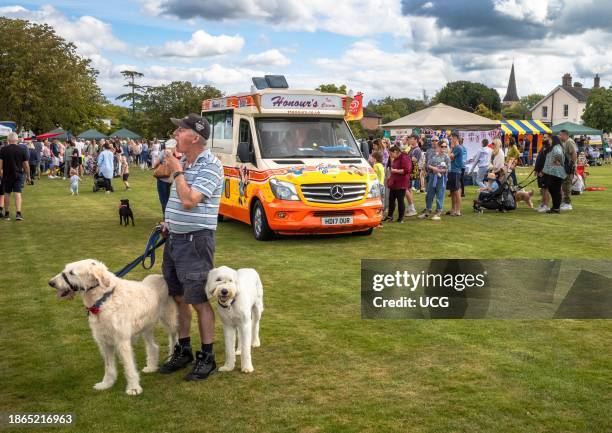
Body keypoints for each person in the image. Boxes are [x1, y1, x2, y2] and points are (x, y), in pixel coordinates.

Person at [160, 113, 224, 381]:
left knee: (197, 300)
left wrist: (176, 169)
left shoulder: (211, 165)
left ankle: (207, 357)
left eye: (180, 130)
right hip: (174, 237)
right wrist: (172, 162)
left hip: (195, 241)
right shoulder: (185, 160)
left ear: (195, 136)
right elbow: (158, 174)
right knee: (178, 297)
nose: (175, 133)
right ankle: (184, 349)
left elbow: (189, 200)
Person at [0, 132, 30, 221]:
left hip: (6, 174)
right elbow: (26, 165)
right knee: (18, 193)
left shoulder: (3, 150)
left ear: (8, 140)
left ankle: (7, 214)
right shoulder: (22, 150)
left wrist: (1, 174)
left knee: (7, 193)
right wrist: (28, 176)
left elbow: (0, 165)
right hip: (18, 174)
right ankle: (18, 213)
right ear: (17, 140)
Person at [418, 138, 450, 220]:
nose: (444, 148)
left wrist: (441, 170)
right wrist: (434, 168)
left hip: (441, 178)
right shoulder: (434, 155)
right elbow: (428, 165)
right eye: (442, 146)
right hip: (432, 177)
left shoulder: (446, 157)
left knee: (440, 194)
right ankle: (427, 212)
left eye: (445, 147)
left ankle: (438, 212)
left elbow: (448, 168)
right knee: (429, 195)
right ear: (438, 147)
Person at [384, 145, 410, 223]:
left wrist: (395, 170)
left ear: (395, 152)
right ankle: (390, 216)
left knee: (400, 200)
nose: (390, 156)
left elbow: (406, 170)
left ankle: (400, 218)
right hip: (394, 182)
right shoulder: (396, 158)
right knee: (391, 199)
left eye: (391, 154)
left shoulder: (404, 157)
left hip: (401, 183)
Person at [542, 135, 566, 214]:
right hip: (553, 172)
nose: (549, 141)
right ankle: (555, 207)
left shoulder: (556, 147)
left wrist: (556, 162)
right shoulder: (555, 147)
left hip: (556, 173)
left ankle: (556, 207)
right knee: (553, 190)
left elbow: (558, 155)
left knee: (555, 190)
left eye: (550, 140)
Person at [558, 129, 577, 211]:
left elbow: (574, 153)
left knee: (568, 184)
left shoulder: (569, 141)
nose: (560, 136)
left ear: (565, 135)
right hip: (565, 166)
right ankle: (564, 201)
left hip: (569, 167)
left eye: (561, 135)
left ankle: (568, 203)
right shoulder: (564, 142)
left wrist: (571, 164)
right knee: (564, 185)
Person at [534, 133, 553, 212]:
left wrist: (543, 171)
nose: (543, 139)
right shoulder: (543, 147)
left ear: (549, 139)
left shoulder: (550, 148)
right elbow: (539, 159)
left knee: (546, 189)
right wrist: (536, 169)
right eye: (543, 137)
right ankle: (542, 204)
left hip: (546, 172)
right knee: (542, 189)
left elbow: (548, 161)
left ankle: (546, 205)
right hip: (540, 171)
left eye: (545, 137)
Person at [447, 132, 464, 216]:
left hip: (455, 171)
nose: (450, 140)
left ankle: (458, 210)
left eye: (451, 138)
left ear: (455, 139)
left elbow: (449, 157)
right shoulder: (455, 148)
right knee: (452, 191)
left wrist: (450, 149)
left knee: (456, 191)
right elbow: (450, 158)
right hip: (452, 170)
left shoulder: (457, 148)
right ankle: (453, 209)